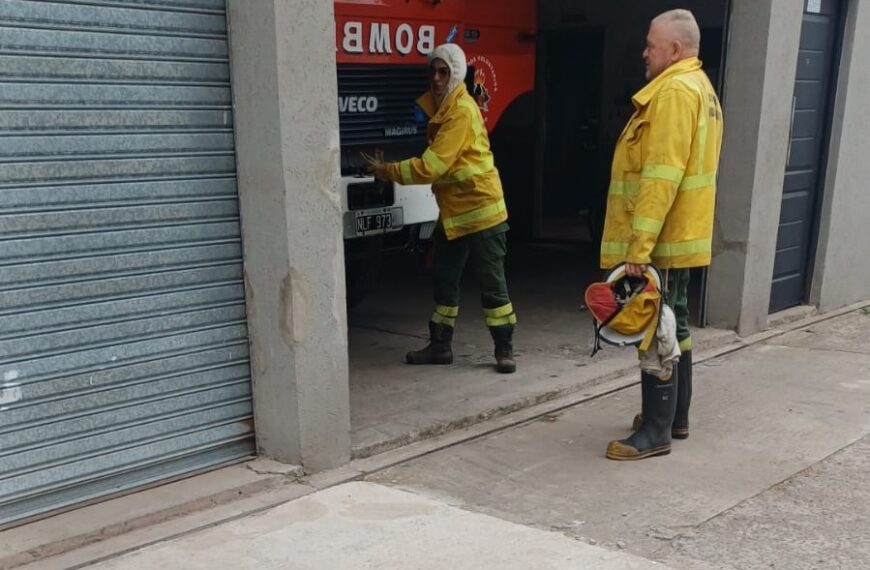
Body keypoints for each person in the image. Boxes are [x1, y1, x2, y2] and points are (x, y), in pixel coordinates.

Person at [599, 9, 724, 460]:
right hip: (681, 237)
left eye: (651, 45)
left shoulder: (673, 93)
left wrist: (639, 248)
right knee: (678, 323)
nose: (644, 53)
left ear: (674, 49)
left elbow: (660, 178)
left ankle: (655, 432)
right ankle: (676, 418)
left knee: (655, 329)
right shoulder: (701, 87)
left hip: (661, 241)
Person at [370, 43, 517, 374]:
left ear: (457, 74)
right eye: (432, 71)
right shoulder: (446, 108)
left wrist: (387, 171)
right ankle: (440, 346)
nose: (436, 78)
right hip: (455, 214)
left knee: (493, 284)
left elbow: (431, 166)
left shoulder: (460, 112)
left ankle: (504, 349)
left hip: (482, 212)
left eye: (443, 72)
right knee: (444, 280)